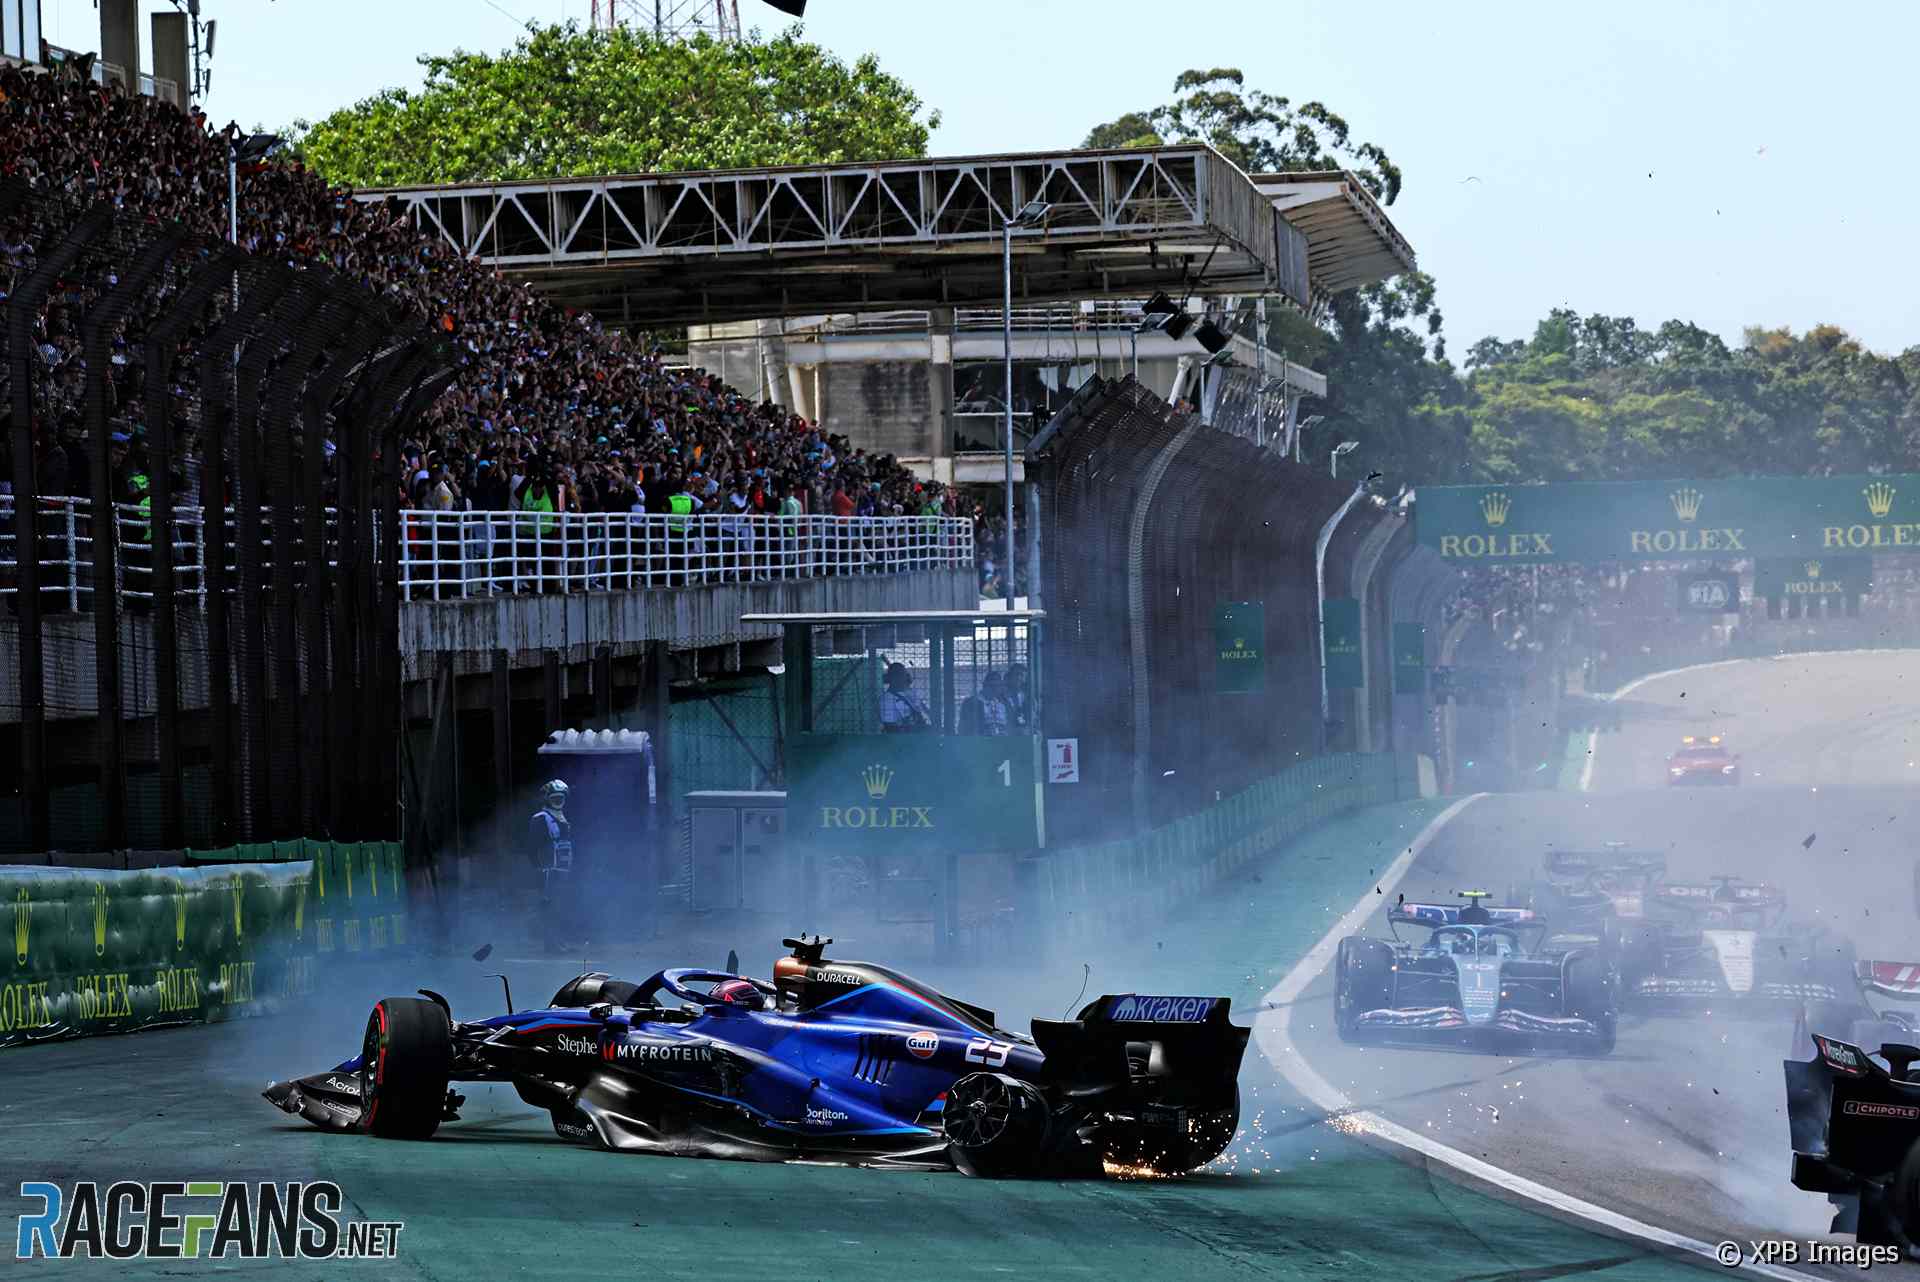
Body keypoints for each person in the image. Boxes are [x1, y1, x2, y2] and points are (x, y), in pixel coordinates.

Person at [528, 779, 576, 952]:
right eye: (554, 798)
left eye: (560, 797)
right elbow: (532, 847)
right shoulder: (540, 818)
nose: (557, 801)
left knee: (561, 907)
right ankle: (551, 944)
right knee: (549, 908)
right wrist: (539, 868)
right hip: (548, 870)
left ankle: (559, 941)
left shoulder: (562, 817)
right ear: (547, 799)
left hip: (562, 869)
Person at [879, 662, 931, 733]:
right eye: (900, 674)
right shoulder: (887, 699)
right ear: (891, 678)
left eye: (905, 674)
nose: (906, 677)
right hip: (906, 738)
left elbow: (924, 709)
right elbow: (891, 728)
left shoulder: (910, 692)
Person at [957, 671, 1009, 736]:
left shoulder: (1002, 704)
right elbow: (964, 729)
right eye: (992, 686)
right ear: (984, 685)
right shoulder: (970, 703)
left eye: (998, 685)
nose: (995, 689)